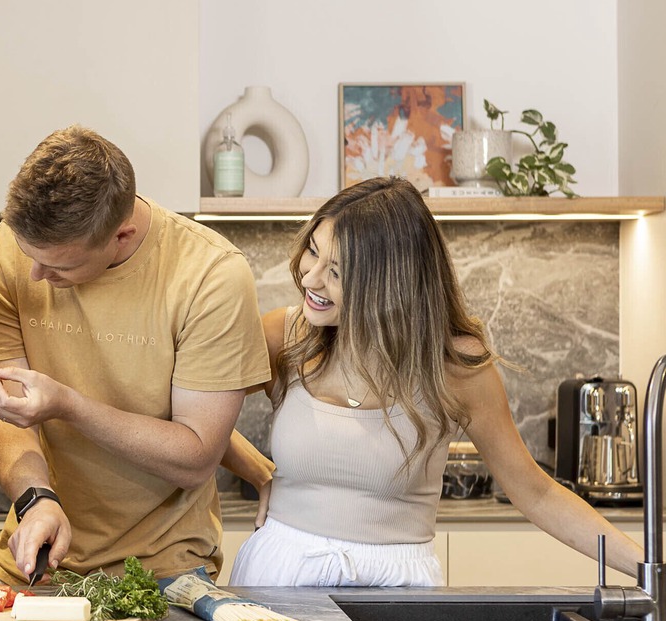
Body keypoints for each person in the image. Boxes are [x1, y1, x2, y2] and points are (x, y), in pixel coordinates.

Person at [228, 176, 642, 586]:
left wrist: (650, 570)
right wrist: (258, 471)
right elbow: (194, 416)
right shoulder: (285, 337)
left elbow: (538, 494)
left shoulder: (456, 367)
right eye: (312, 253)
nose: (310, 278)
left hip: (397, 589)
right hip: (279, 576)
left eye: (335, 271)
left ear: (388, 285)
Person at [0, 125, 270, 585]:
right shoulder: (5, 252)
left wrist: (67, 405)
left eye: (59, 265)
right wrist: (36, 500)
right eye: (28, 255)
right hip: (36, 561)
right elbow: (6, 419)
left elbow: (194, 457)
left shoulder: (210, 276)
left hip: (164, 570)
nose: (33, 274)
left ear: (123, 235)